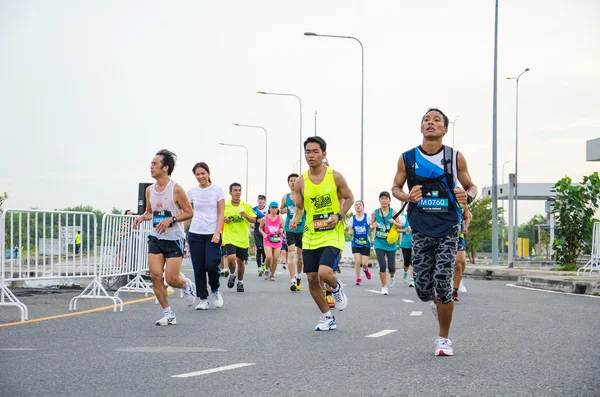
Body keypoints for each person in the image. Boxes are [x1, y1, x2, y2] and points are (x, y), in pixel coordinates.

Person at [391, 108, 477, 356]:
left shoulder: (454, 158)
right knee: (423, 290)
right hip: (420, 228)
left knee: (443, 280)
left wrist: (467, 196)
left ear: (445, 129)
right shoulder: (407, 158)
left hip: (448, 227)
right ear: (421, 128)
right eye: (426, 120)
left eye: (436, 120)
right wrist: (407, 196)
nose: (431, 123)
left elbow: (471, 185)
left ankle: (443, 339)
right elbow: (395, 187)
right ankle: (435, 303)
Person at [290, 136, 354, 331]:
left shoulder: (335, 176)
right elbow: (300, 207)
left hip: (331, 232)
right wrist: (295, 218)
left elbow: (350, 198)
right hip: (310, 234)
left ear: (324, 154)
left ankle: (335, 287)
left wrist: (339, 214)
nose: (311, 155)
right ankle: (327, 317)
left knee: (325, 273)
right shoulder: (301, 181)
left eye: (315, 151)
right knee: (311, 278)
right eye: (307, 152)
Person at [133, 149, 195, 326]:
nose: (151, 166)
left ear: (165, 167)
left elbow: (189, 212)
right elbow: (150, 213)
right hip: (156, 238)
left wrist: (172, 219)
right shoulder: (149, 190)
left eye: (155, 163)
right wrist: (141, 217)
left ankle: (186, 286)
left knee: (171, 279)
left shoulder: (176, 189)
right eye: (151, 163)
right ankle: (168, 314)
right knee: (154, 276)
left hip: (174, 238)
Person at [186, 162, 225, 310]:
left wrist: (217, 232)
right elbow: (189, 213)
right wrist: (180, 230)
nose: (200, 176)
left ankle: (215, 290)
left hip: (212, 233)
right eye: (197, 174)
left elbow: (221, 213)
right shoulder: (191, 192)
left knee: (211, 264)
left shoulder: (217, 190)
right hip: (195, 233)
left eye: (203, 173)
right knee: (199, 267)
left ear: (208, 173)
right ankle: (203, 298)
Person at [223, 183, 256, 292]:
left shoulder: (245, 205)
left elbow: (254, 219)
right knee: (231, 258)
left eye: (239, 190)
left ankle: (240, 282)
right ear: (230, 192)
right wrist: (224, 219)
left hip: (242, 239)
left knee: (240, 262)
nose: (237, 192)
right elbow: (219, 217)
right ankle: (233, 274)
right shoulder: (225, 206)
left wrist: (246, 216)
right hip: (229, 237)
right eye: (235, 190)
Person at [370, 191, 401, 295]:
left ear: (389, 200)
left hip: (390, 243)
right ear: (379, 200)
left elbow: (400, 226)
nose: (384, 200)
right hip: (379, 242)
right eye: (382, 198)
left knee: (391, 267)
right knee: (382, 265)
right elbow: (370, 226)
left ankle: (391, 277)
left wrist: (394, 222)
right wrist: (372, 226)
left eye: (386, 198)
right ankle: (384, 287)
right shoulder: (375, 213)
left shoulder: (393, 212)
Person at [281, 173, 306, 292]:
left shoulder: (304, 196)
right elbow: (280, 209)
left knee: (300, 255)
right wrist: (283, 210)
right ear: (288, 183)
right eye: (291, 180)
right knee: (291, 251)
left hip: (302, 229)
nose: (293, 182)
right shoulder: (285, 198)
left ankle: (298, 277)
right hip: (289, 228)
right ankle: (292, 280)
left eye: (295, 180)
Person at [347, 200, 372, 285]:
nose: (358, 206)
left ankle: (365, 270)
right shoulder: (352, 219)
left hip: (365, 243)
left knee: (364, 264)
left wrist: (372, 236)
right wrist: (350, 231)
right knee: (357, 261)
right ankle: (358, 278)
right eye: (356, 205)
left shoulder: (367, 217)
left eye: (360, 205)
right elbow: (349, 229)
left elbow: (373, 226)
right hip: (355, 243)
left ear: (363, 207)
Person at [259, 201, 284, 281]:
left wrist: (281, 229)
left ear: (277, 209)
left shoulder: (280, 219)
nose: (274, 209)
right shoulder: (265, 218)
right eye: (272, 208)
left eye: (275, 208)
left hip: (277, 240)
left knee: (276, 258)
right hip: (268, 240)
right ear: (269, 209)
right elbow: (260, 228)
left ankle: (272, 274)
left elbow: (283, 228)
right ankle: (266, 270)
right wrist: (263, 233)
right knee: (269, 257)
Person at [453, 206, 472, 301]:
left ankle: (454, 290)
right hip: (439, 235)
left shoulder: (461, 202)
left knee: (460, 263)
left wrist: (465, 227)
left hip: (457, 236)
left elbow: (467, 217)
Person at [253, 194, 268, 275]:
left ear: (264, 201)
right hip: (257, 231)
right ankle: (259, 267)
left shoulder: (268, 209)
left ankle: (263, 264)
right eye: (259, 200)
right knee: (259, 248)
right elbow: (250, 218)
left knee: (265, 249)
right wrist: (256, 220)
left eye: (262, 200)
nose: (260, 201)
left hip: (265, 232)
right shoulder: (254, 209)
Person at [398, 212, 414, 287]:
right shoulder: (403, 218)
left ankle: (412, 280)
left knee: (413, 262)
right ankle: (405, 272)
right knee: (406, 262)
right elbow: (396, 229)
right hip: (405, 244)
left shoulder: (419, 216)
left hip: (415, 243)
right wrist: (404, 230)